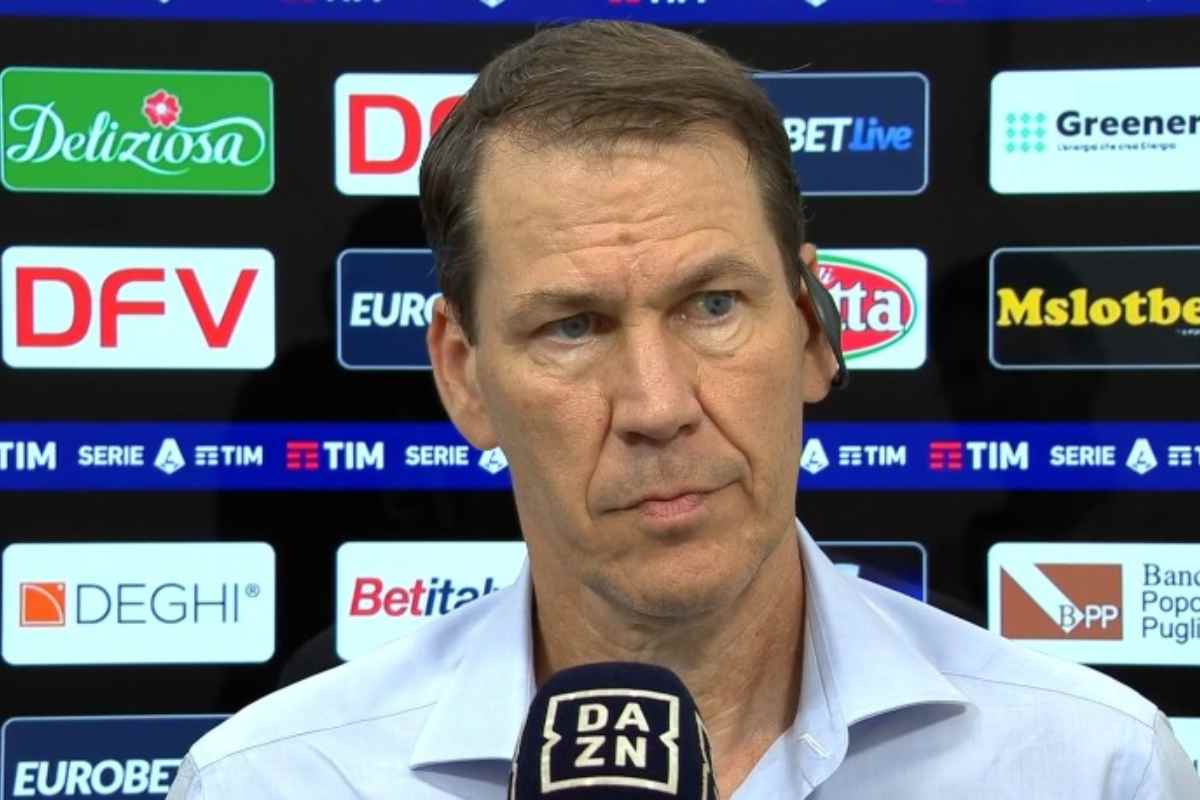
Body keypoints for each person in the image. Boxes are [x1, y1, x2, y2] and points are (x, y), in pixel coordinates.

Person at [168, 21, 1199, 799]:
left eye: (713, 306)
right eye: (572, 326)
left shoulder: (1090, 763)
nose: (658, 407)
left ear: (812, 329)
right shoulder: (277, 780)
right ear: (464, 376)